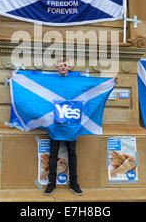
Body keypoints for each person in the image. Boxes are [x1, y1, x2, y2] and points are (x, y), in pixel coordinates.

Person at [8, 57, 119, 196]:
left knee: (72, 153)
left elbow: (92, 87)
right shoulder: (50, 81)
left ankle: (74, 183)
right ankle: (51, 184)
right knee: (53, 154)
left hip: (71, 125)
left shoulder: (78, 82)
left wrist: (111, 82)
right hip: (55, 125)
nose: (62, 67)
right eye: (60, 65)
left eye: (65, 65)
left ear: (69, 67)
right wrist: (14, 77)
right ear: (56, 67)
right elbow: (33, 83)